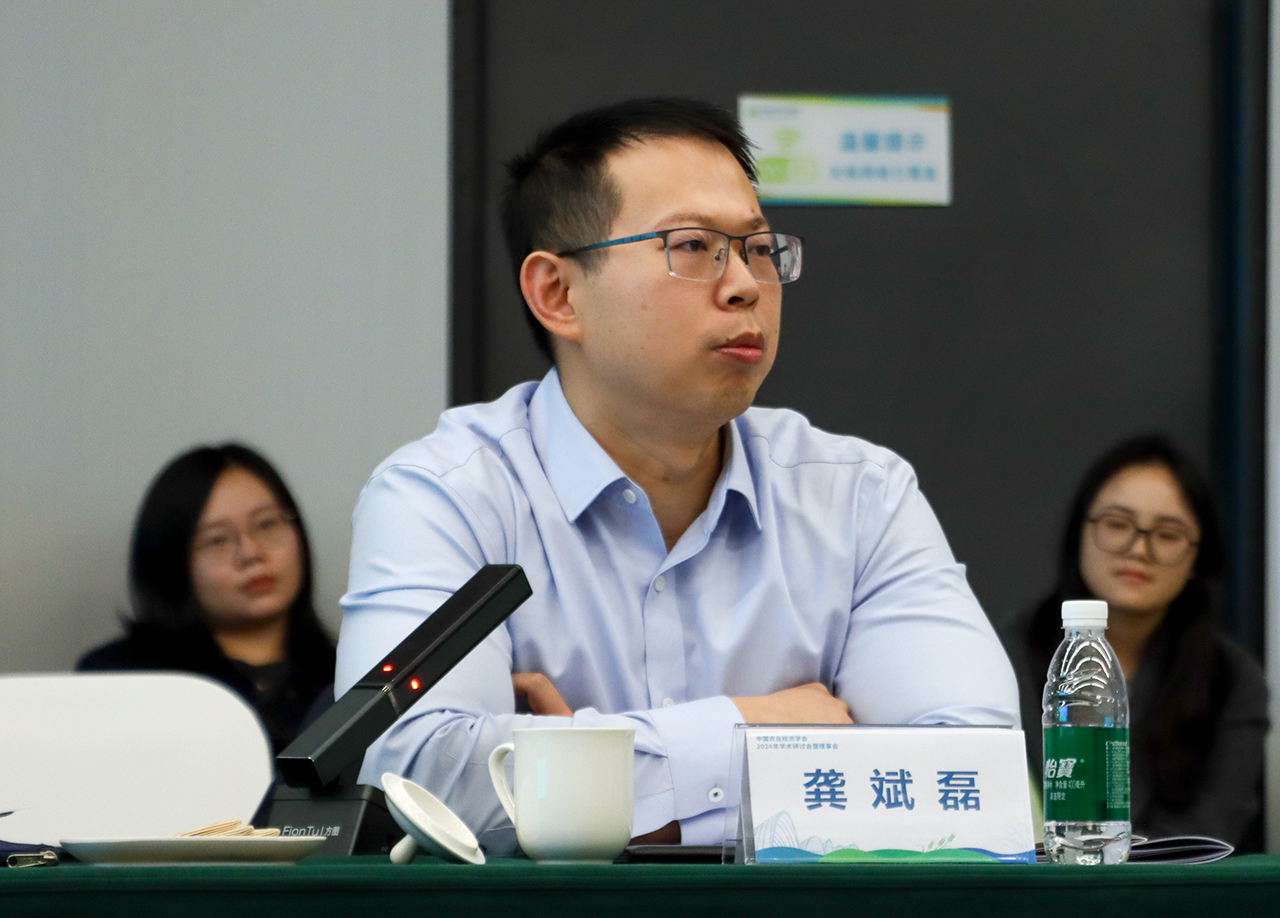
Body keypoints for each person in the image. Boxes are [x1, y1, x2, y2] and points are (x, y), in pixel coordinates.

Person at [336, 98, 1020, 854]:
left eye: (758, 248)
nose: (745, 285)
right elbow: (411, 774)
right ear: (558, 294)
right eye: (694, 246)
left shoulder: (860, 497)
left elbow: (974, 779)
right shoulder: (448, 495)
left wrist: (580, 770)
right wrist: (761, 726)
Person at [1002, 434, 1267, 848]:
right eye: (1117, 525)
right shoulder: (1002, 658)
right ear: (1080, 532)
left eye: (1168, 534)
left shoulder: (1232, 680)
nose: (1139, 549)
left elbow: (1207, 836)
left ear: (1197, 558)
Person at [79, 443, 337, 754]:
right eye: (217, 540)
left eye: (267, 523)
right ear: (170, 561)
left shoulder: (347, 677)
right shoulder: (118, 682)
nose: (251, 553)